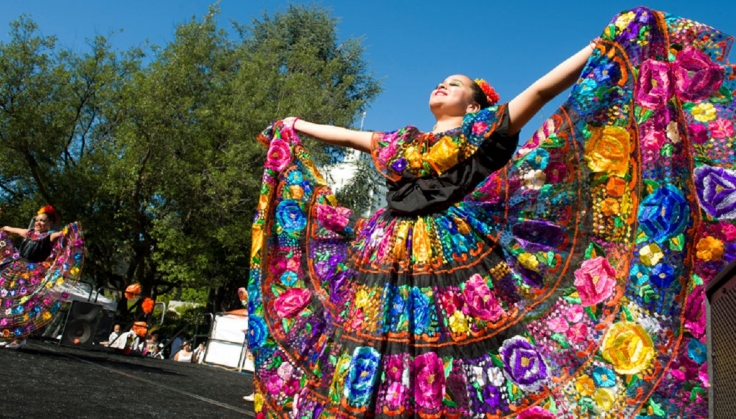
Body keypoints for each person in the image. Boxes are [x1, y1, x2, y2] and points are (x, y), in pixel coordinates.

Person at [248, 6, 730, 418]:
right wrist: (294, 125)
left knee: (453, 344)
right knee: (371, 340)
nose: (441, 84)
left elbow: (541, 92)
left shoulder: (486, 129)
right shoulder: (399, 143)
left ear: (474, 101)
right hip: (383, 253)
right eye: (440, 82)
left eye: (453, 84)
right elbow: (344, 135)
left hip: (456, 253)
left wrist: (602, 45)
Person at [0, 205, 84, 350]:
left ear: (49, 223)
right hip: (16, 271)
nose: (38, 223)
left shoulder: (49, 236)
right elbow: (14, 230)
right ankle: (9, 336)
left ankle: (20, 339)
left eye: (43, 221)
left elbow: (63, 234)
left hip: (31, 276)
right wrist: (6, 228)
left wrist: (71, 230)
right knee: (8, 305)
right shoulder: (28, 233)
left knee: (21, 308)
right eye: (37, 220)